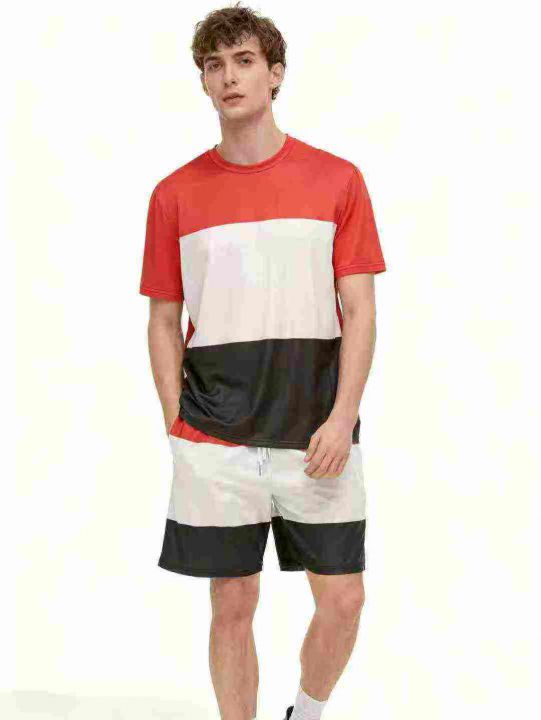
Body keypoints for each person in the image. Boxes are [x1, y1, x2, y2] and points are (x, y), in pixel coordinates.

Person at [139, 4, 387, 719]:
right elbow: (162, 319)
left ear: (275, 74)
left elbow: (360, 311)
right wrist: (177, 422)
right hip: (214, 434)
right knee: (232, 602)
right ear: (203, 81)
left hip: (316, 431)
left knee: (343, 598)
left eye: (244, 61)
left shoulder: (336, 179)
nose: (228, 77)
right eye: (213, 65)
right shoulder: (174, 194)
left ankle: (304, 713)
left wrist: (342, 417)